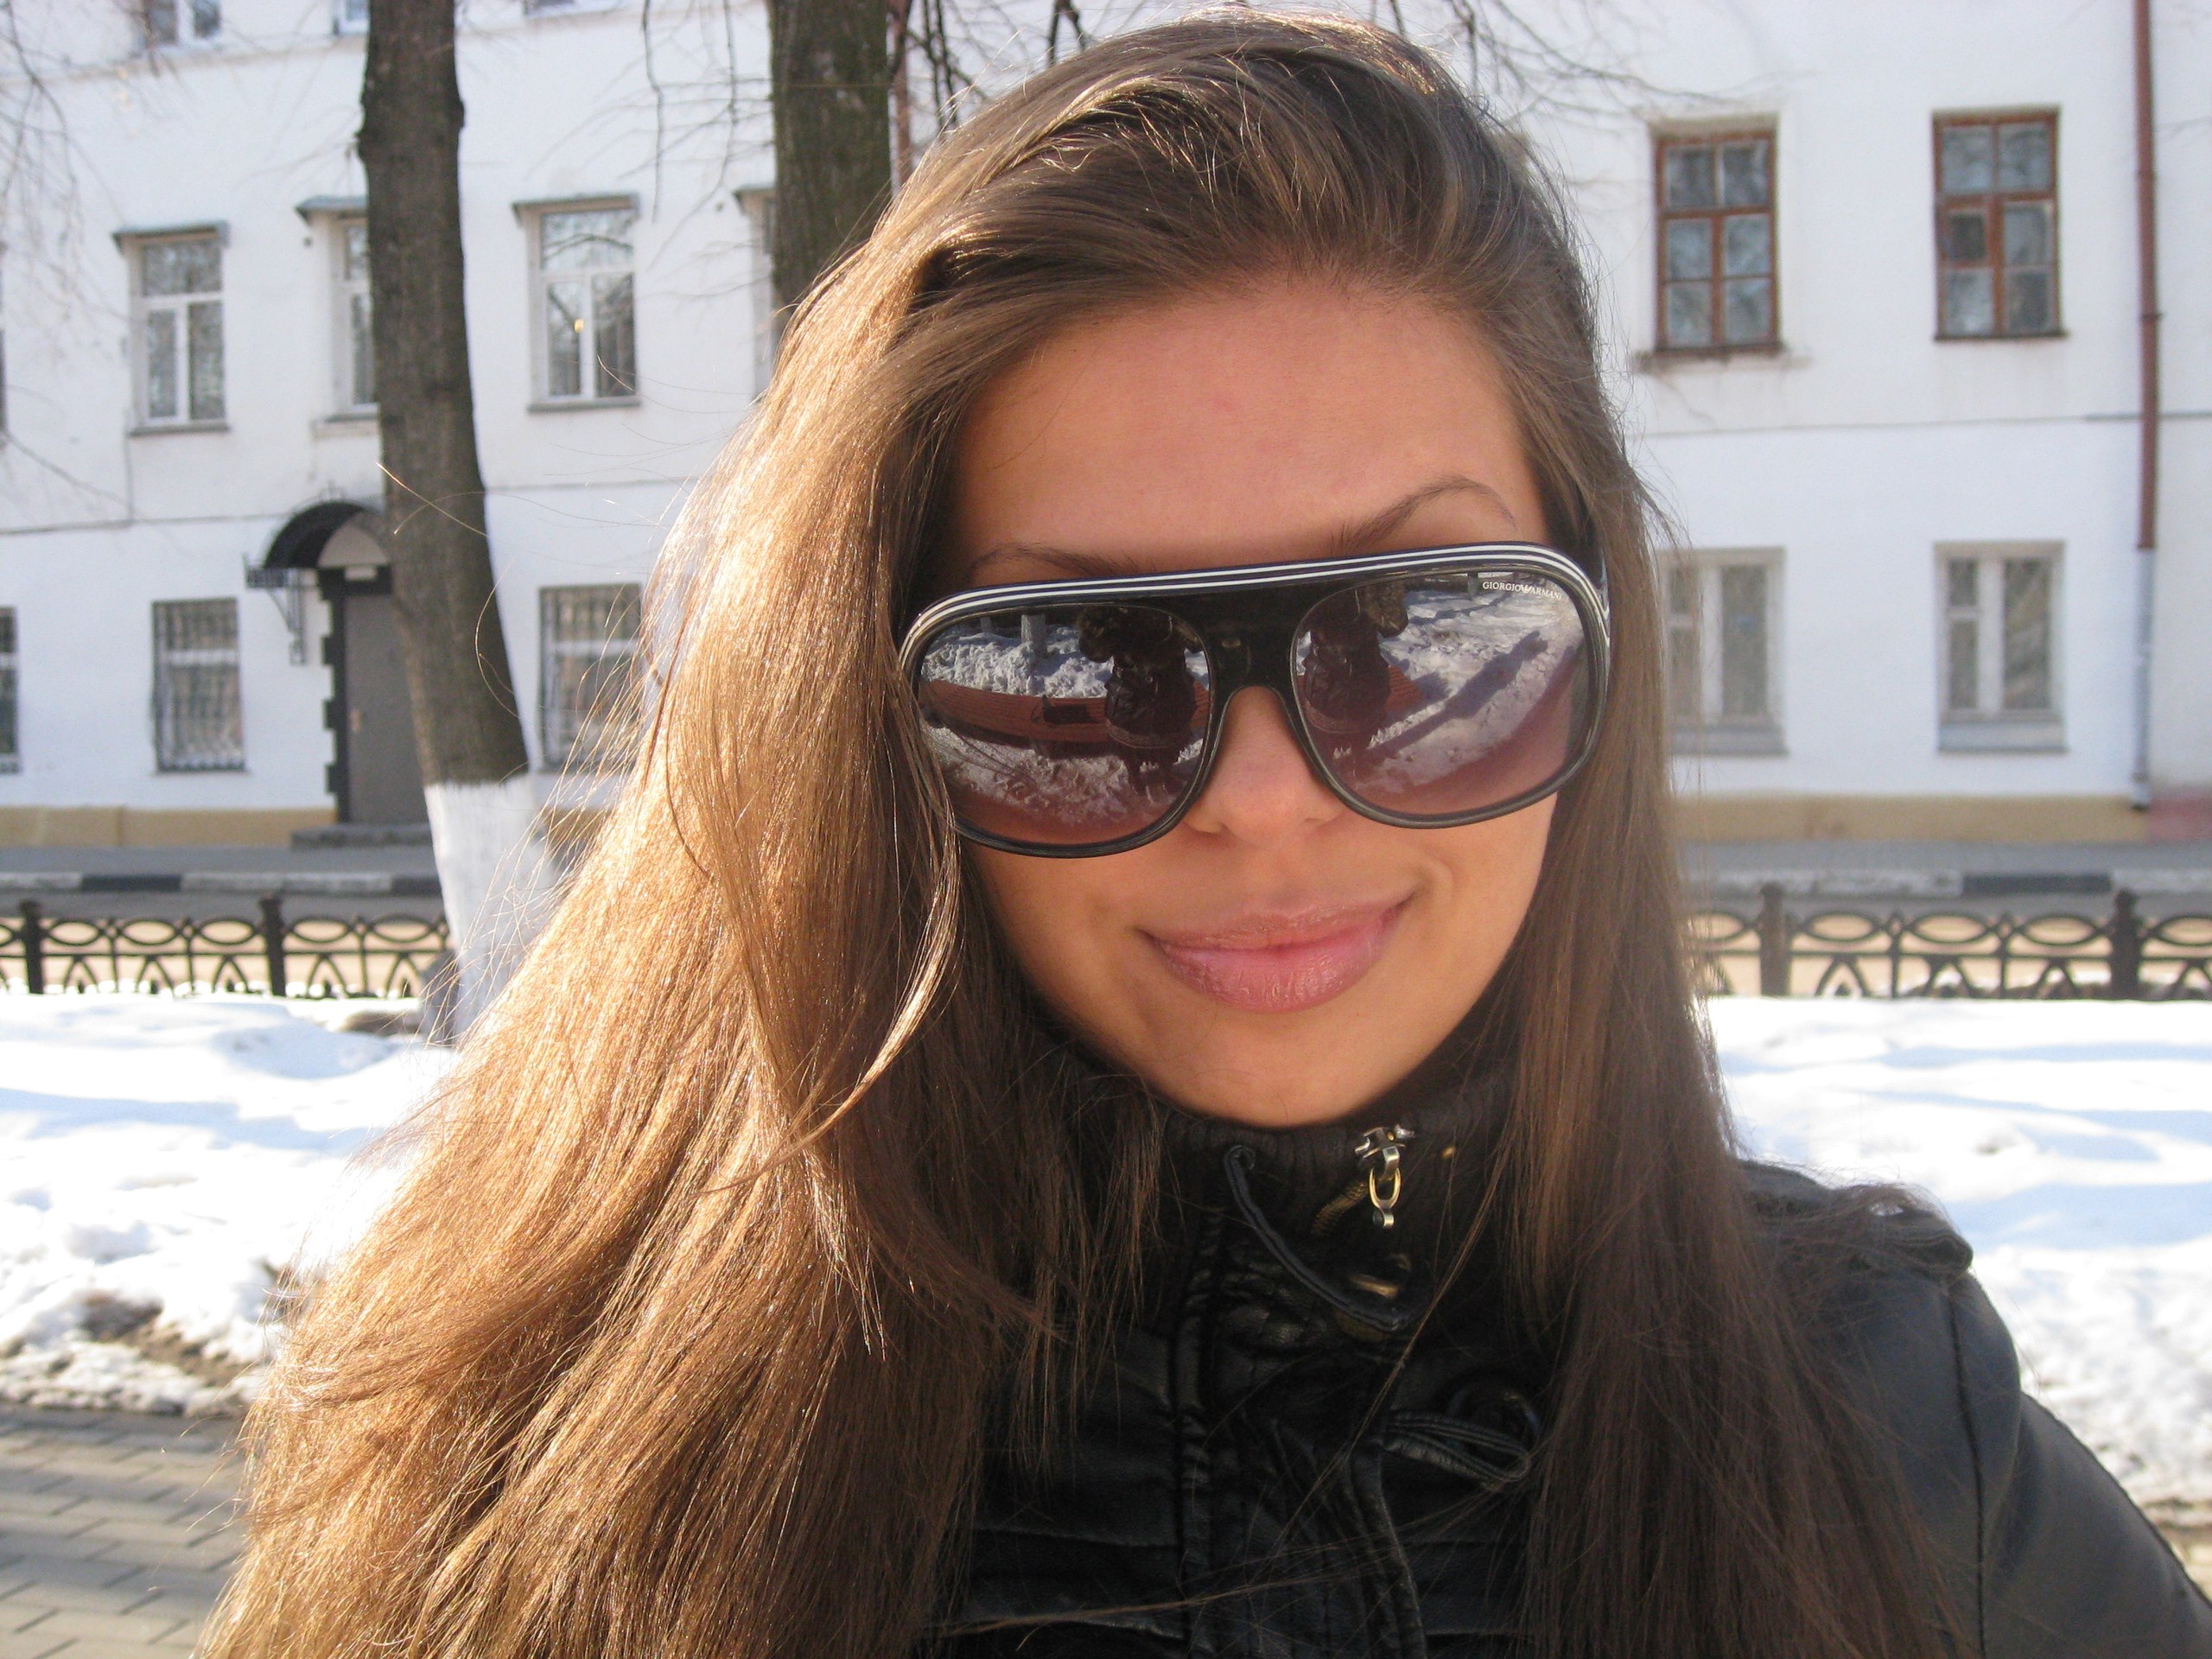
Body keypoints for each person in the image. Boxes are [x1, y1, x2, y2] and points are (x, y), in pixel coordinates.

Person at [207, 14, 2211, 1659]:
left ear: (1591, 650)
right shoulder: (547, 1451)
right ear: (865, 732)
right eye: (1072, 672)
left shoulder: (1872, 1421)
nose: (1265, 797)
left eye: (1424, 634)